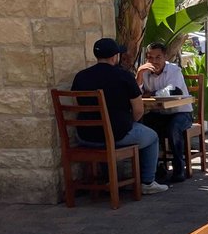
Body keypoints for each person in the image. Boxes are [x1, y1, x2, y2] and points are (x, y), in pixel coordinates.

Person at [72, 38, 168, 195]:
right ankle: (147, 182)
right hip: (115, 135)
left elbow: (78, 104)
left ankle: (109, 178)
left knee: (107, 135)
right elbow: (138, 110)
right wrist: (128, 123)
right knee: (152, 136)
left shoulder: (80, 77)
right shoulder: (124, 76)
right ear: (114, 57)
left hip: (84, 136)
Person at [136, 41, 193, 184]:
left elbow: (173, 90)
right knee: (144, 127)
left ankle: (179, 168)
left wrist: (151, 93)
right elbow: (136, 93)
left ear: (165, 57)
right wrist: (139, 74)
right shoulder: (145, 71)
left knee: (174, 128)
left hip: (181, 113)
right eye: (150, 57)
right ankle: (153, 169)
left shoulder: (174, 70)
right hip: (159, 113)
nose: (154, 61)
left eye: (158, 57)